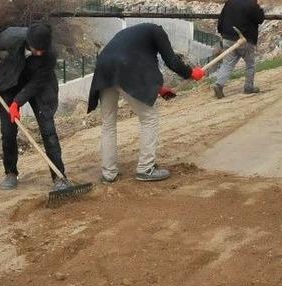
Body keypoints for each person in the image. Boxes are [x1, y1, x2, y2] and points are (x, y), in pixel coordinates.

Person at [87, 23, 205, 183]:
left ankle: (109, 173)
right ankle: (146, 168)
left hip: (104, 69)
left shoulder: (134, 34)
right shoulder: (158, 32)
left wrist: (159, 89)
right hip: (125, 68)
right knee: (149, 118)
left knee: (108, 124)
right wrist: (191, 72)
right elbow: (171, 61)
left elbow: (142, 63)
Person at [0, 23, 70, 191]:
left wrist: (18, 102)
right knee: (7, 132)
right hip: (11, 79)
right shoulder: (13, 37)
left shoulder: (50, 53)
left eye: (42, 50)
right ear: (28, 42)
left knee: (48, 131)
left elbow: (37, 83)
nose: (38, 53)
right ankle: (10, 173)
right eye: (35, 49)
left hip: (39, 85)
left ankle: (59, 177)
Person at [213, 0, 265, 98]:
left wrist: (222, 33)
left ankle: (219, 84)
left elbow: (221, 19)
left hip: (228, 38)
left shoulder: (230, 2)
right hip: (245, 40)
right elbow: (260, 19)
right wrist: (259, 6)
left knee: (227, 64)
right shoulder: (251, 5)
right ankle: (248, 87)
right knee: (250, 64)